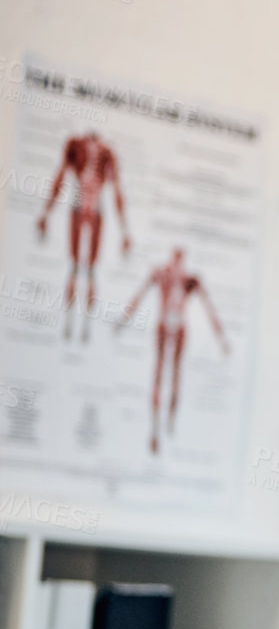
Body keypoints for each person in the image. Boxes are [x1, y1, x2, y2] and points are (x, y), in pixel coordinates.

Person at [117, 247, 229, 454]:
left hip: (178, 328)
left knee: (175, 376)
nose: (177, 263)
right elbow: (139, 295)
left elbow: (209, 308)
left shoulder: (190, 281)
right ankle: (155, 429)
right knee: (159, 376)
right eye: (175, 259)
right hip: (164, 325)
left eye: (180, 259)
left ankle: (169, 424)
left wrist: (221, 338)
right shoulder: (162, 274)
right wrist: (124, 319)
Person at [37, 129, 131, 342]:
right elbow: (60, 178)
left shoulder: (108, 153)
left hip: (94, 209)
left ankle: (85, 327)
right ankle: (69, 325)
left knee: (89, 270)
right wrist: (46, 213)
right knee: (74, 268)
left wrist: (125, 231)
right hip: (79, 206)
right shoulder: (75, 145)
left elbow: (116, 189)